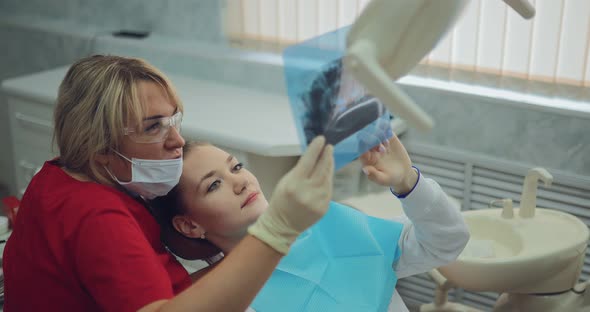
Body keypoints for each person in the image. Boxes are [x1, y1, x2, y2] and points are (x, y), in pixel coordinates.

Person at [2, 55, 335, 312]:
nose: (177, 140)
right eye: (152, 128)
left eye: (173, 120)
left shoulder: (59, 175)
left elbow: (141, 286)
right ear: (101, 149)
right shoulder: (95, 216)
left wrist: (249, 257)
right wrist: (276, 232)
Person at [155, 135, 470, 312]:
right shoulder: (228, 301)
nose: (239, 182)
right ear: (189, 226)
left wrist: (408, 183)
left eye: (236, 167)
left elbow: (447, 243)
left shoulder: (334, 228)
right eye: (213, 185)